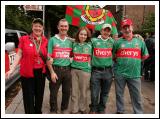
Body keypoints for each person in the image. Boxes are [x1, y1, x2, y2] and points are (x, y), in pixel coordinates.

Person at [5, 18, 48, 114]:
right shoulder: (24, 39)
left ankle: (38, 112)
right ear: (32, 27)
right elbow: (19, 54)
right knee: (28, 97)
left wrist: (50, 59)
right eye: (35, 26)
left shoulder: (45, 41)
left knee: (39, 96)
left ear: (43, 28)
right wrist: (12, 69)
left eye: (40, 26)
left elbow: (47, 56)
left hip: (41, 73)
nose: (38, 28)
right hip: (27, 73)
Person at [113, 18, 149, 114]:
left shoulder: (140, 41)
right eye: (124, 28)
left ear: (132, 27)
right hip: (120, 74)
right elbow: (113, 56)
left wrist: (135, 62)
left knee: (136, 96)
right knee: (119, 94)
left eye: (128, 27)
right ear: (122, 30)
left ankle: (138, 113)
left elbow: (145, 55)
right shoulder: (117, 42)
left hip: (135, 74)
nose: (127, 30)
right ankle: (120, 111)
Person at [47, 18, 72, 114]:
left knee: (67, 92)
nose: (63, 28)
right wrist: (52, 72)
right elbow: (48, 57)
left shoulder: (70, 41)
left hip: (67, 70)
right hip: (55, 70)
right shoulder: (52, 40)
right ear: (58, 27)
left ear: (68, 28)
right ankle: (53, 110)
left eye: (65, 26)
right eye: (61, 26)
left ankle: (64, 109)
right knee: (53, 93)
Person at [89, 23, 114, 114]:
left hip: (108, 71)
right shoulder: (93, 41)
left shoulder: (112, 42)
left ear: (110, 32)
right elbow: (82, 42)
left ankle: (102, 108)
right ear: (101, 31)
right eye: (105, 30)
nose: (106, 32)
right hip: (96, 71)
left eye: (108, 31)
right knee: (94, 93)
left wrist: (136, 36)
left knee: (105, 93)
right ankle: (93, 108)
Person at [70, 27, 92, 114]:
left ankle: (82, 108)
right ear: (78, 35)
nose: (83, 36)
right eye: (81, 34)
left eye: (85, 34)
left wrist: (136, 36)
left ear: (87, 36)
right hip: (74, 70)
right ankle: (74, 109)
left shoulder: (91, 44)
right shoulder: (73, 43)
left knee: (83, 92)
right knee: (74, 92)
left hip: (85, 71)